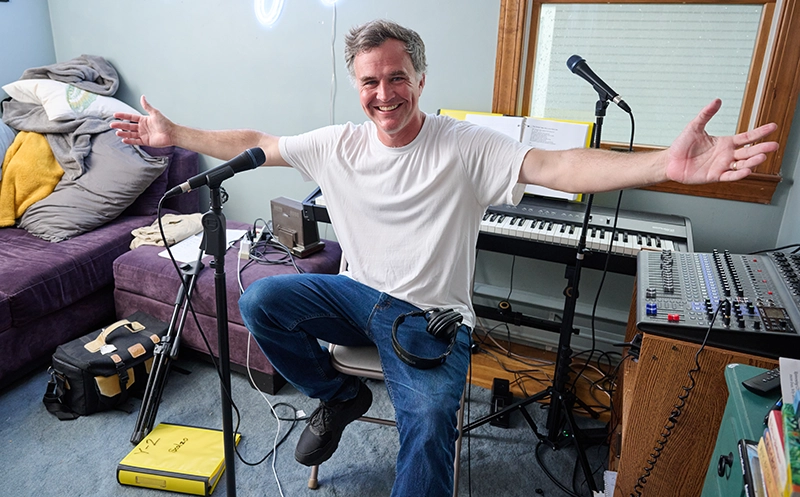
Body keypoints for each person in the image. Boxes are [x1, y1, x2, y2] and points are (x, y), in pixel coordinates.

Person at [111, 19, 778, 497]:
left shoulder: (466, 146)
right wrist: (177, 134)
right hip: (356, 299)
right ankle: (338, 393)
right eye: (369, 81)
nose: (383, 93)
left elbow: (555, 160)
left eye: (396, 77)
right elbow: (257, 139)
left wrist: (666, 163)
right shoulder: (337, 142)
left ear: (420, 79)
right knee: (259, 297)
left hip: (429, 320)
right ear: (357, 85)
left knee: (428, 421)